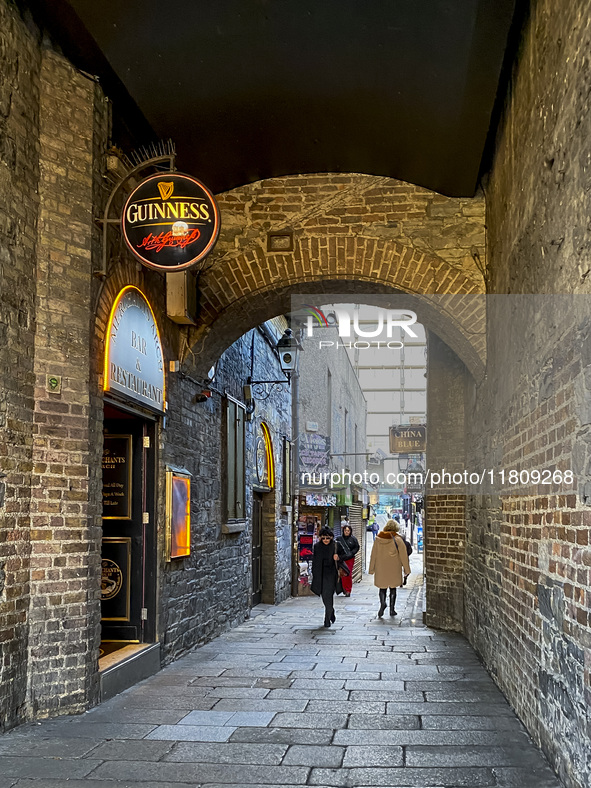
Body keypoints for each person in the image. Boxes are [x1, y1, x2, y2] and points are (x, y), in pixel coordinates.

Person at [368, 519, 411, 617]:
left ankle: (383, 603)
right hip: (394, 567)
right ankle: (392, 610)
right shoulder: (398, 540)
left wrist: (371, 569)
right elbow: (403, 556)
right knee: (393, 588)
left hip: (381, 567)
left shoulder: (378, 539)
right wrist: (406, 570)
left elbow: (373, 554)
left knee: (382, 588)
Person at [311, 527, 347, 627]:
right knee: (324, 596)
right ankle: (331, 611)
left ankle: (326, 620)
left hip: (332, 574)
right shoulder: (317, 546)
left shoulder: (336, 545)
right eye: (323, 538)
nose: (326, 540)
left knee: (328, 595)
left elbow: (346, 554)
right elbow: (314, 561)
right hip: (320, 575)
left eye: (328, 538)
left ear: (331, 537)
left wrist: (339, 557)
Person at [337, 524, 360, 597]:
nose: (347, 532)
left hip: (350, 559)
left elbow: (357, 547)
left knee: (348, 573)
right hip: (341, 559)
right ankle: (343, 588)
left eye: (348, 531)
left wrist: (351, 553)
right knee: (342, 574)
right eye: (345, 530)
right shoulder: (339, 539)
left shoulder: (353, 539)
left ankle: (348, 589)